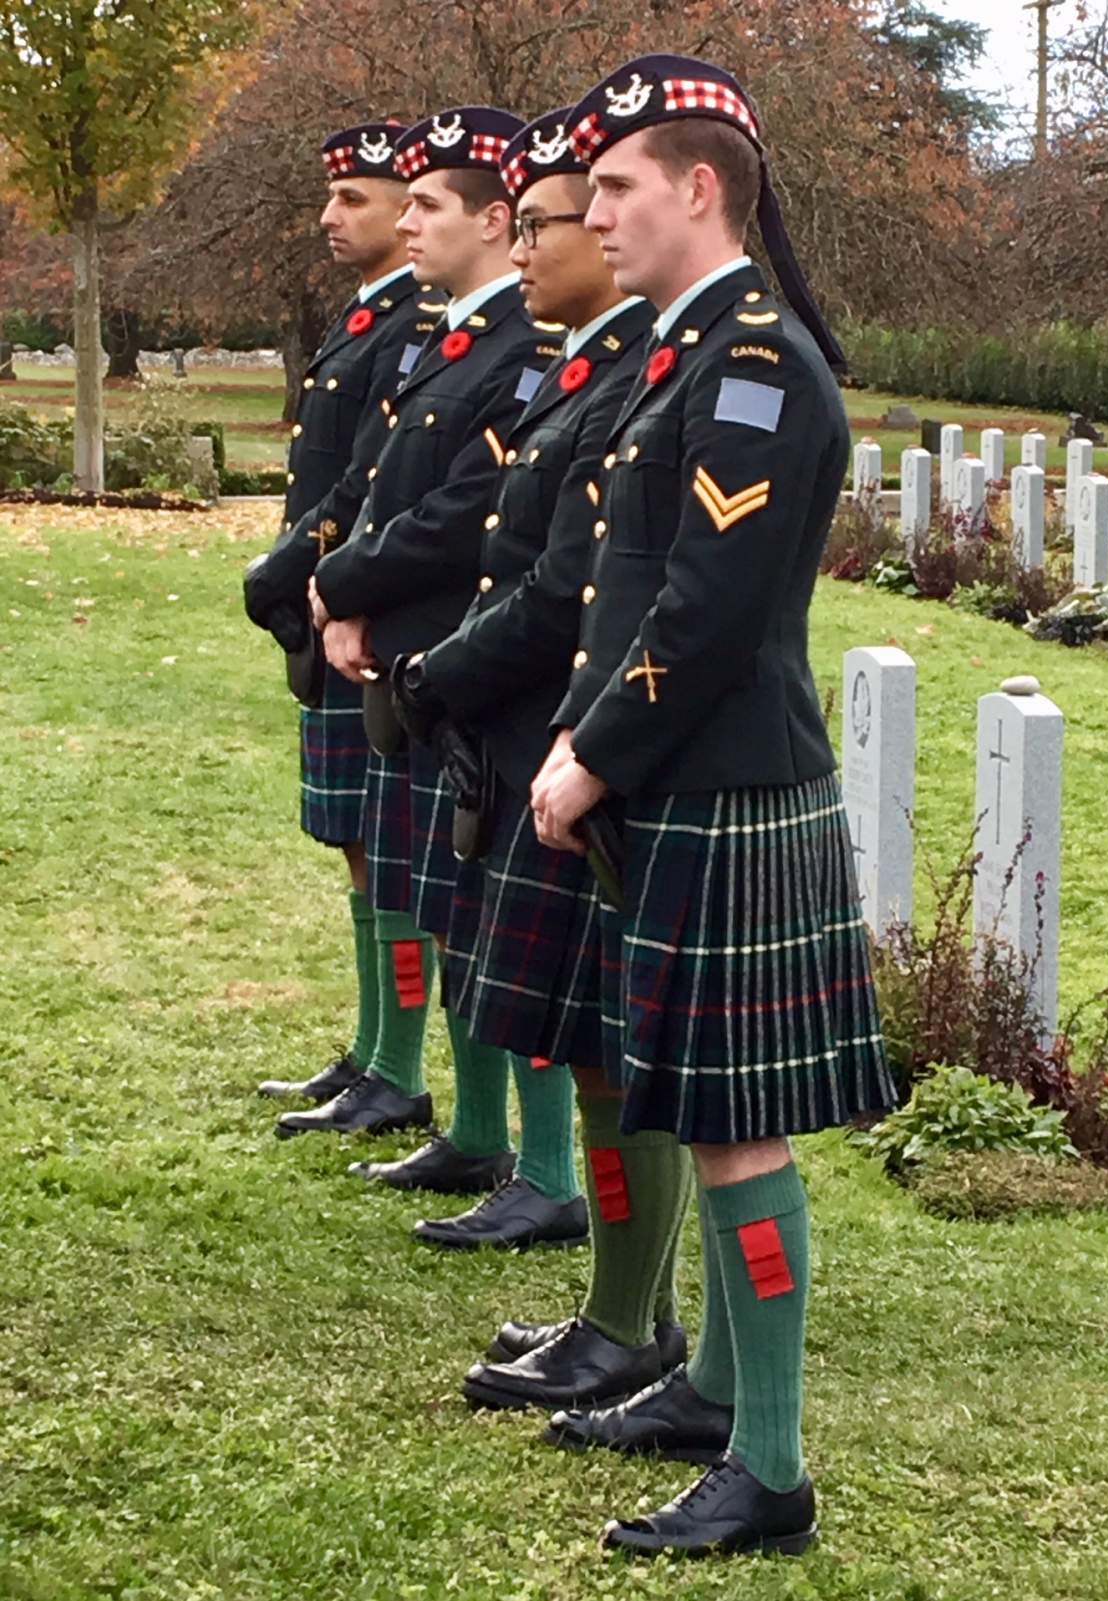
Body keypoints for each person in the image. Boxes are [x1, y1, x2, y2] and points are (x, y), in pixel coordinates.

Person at [527, 57, 897, 1558]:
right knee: (715, 1109)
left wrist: (592, 752)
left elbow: (710, 609)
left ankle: (774, 1470)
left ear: (700, 187)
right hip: (691, 788)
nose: (591, 212)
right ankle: (721, 1412)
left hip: (722, 780)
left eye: (615, 187)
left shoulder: (755, 360)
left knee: (744, 1135)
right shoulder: (692, 355)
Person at [392, 109, 667, 1272]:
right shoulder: (583, 370)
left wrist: (440, 671)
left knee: (584, 1018)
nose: (525, 251)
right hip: (518, 718)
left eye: (544, 223)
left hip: (561, 719)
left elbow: (567, 584)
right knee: (543, 996)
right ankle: (582, 1250)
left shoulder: (629, 377)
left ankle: (568, 1212)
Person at [280, 109, 563, 1179]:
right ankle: (463, 1120)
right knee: (428, 895)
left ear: (492, 220)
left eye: (425, 203)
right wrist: (317, 581)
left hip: (455, 659)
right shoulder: (453, 337)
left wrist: (340, 576)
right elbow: (371, 479)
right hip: (403, 654)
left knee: (487, 919)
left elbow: (462, 511)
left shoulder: (522, 352)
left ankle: (520, 1157)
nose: (406, 223)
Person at [245, 122, 443, 1114]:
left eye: (353, 198)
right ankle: (374, 1054)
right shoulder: (369, 317)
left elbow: (370, 485)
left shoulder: (416, 325)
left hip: (363, 604)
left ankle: (399, 1069)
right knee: (360, 844)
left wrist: (297, 569)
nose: (331, 216)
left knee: (390, 846)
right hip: (331, 603)